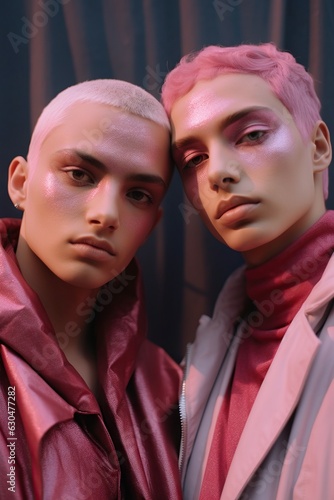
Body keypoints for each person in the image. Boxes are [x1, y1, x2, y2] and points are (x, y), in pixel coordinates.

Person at [161, 43, 334, 499]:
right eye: (193, 159)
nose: (217, 172)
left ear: (318, 146)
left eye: (252, 134)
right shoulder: (202, 357)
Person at [0, 79, 183, 499]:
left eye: (138, 194)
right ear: (20, 183)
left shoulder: (167, 384)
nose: (105, 214)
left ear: (152, 224)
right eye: (80, 174)